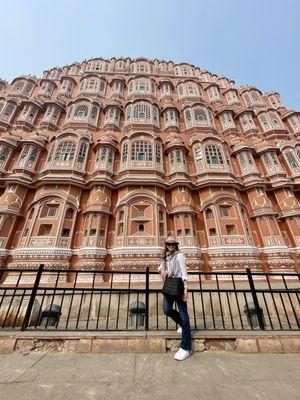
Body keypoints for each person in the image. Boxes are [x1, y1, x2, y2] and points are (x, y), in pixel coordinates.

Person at [158, 236, 192, 361]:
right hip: (169, 287)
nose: (171, 246)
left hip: (179, 286)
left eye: (173, 244)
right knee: (167, 310)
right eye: (168, 244)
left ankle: (186, 347)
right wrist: (162, 270)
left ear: (176, 245)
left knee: (184, 315)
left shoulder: (179, 256)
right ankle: (183, 325)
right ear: (166, 245)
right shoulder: (166, 256)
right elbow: (159, 266)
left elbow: (184, 272)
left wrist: (186, 288)